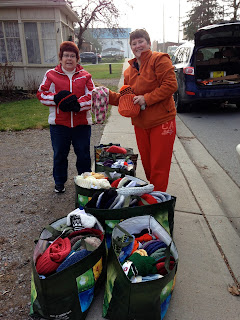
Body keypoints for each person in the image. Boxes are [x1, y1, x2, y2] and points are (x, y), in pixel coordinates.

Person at [109, 29, 178, 191]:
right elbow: (126, 98)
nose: (137, 46)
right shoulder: (129, 71)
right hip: (140, 124)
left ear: (148, 43)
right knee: (148, 165)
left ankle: (156, 202)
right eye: (134, 43)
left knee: (159, 166)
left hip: (162, 121)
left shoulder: (159, 60)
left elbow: (170, 85)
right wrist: (106, 95)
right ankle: (152, 193)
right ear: (131, 47)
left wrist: (146, 99)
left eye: (141, 42)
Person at [37, 41, 94, 193]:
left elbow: (93, 96)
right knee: (60, 154)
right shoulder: (51, 75)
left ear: (78, 58)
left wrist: (77, 105)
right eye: (66, 55)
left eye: (73, 56)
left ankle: (85, 182)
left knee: (83, 154)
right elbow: (41, 94)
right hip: (59, 125)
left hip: (81, 124)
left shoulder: (86, 76)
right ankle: (59, 182)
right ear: (60, 58)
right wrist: (57, 99)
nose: (69, 59)